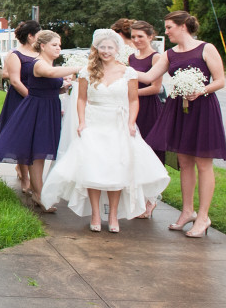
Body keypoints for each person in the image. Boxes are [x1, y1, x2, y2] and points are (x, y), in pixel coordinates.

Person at [42, 30, 169, 232]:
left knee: (116, 170)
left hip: (118, 124)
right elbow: (82, 99)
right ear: (96, 48)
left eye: (110, 47)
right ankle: (95, 214)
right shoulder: (86, 71)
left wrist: (131, 122)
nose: (106, 51)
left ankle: (113, 217)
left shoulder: (128, 72)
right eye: (102, 47)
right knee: (93, 168)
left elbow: (134, 100)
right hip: (94, 123)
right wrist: (82, 122)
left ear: (117, 50)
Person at [137, 11, 226, 238]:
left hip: (203, 109)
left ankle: (203, 217)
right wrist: (118, 69)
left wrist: (201, 90)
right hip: (179, 109)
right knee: (185, 162)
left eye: (169, 27)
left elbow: (220, 81)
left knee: (203, 164)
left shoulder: (207, 48)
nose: (166, 32)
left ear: (183, 26)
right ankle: (187, 212)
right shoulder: (169, 54)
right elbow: (148, 77)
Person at [0, 30, 82, 212]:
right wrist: (79, 67)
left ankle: (38, 193)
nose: (58, 48)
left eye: (59, 45)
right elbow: (50, 73)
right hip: (37, 110)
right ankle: (39, 195)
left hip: (50, 109)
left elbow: (50, 85)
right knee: (38, 153)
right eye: (54, 45)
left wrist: (64, 88)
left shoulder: (48, 62)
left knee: (42, 152)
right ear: (42, 46)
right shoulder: (39, 64)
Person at [0, 20, 41, 193]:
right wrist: (31, 97)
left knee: (34, 138)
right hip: (21, 99)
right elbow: (15, 81)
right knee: (22, 137)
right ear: (30, 36)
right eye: (38, 35)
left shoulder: (41, 53)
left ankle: (33, 177)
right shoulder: (15, 54)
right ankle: (25, 177)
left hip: (38, 99)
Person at [129, 20, 166, 175]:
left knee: (150, 145)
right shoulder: (131, 58)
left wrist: (133, 93)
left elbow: (156, 88)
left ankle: (154, 189)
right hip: (132, 106)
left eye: (140, 36)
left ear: (150, 37)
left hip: (149, 107)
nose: (136, 40)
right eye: (133, 36)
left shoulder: (156, 57)